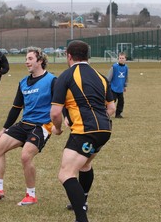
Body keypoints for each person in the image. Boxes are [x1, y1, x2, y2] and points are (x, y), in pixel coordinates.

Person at [0, 47, 56, 206]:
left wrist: (61, 122)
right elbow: (16, 108)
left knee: (25, 156)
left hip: (41, 126)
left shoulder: (52, 80)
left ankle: (31, 195)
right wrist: (4, 129)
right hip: (24, 124)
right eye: (26, 59)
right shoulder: (23, 82)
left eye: (30, 59)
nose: (26, 62)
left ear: (40, 61)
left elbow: (61, 103)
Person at [50, 40, 115, 222]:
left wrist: (57, 128)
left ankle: (81, 218)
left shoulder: (66, 76)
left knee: (66, 173)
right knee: (84, 165)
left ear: (68, 56)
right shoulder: (101, 77)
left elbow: (55, 112)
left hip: (85, 132)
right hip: (104, 130)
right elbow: (111, 108)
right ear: (88, 56)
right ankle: (82, 201)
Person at [107, 52, 129, 118]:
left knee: (121, 102)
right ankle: (106, 113)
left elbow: (126, 77)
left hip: (120, 88)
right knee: (111, 102)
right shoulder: (114, 67)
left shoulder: (126, 67)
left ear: (125, 59)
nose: (121, 59)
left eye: (123, 58)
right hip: (113, 88)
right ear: (118, 59)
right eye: (120, 58)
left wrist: (125, 86)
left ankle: (118, 114)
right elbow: (109, 77)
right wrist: (108, 85)